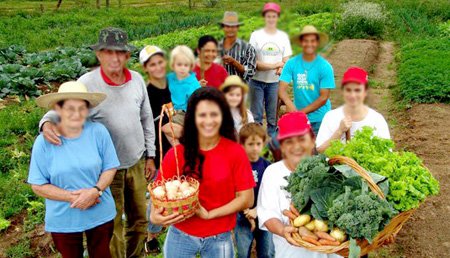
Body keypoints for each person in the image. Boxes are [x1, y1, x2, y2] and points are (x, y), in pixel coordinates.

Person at [39, 28, 156, 258]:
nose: (115, 58)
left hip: (136, 162)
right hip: (105, 169)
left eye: (120, 53)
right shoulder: (87, 83)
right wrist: (45, 123)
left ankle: (135, 255)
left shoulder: (137, 81)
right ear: (99, 55)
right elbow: (64, 107)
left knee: (139, 219)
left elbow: (146, 118)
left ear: (127, 56)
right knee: (112, 225)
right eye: (108, 52)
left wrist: (150, 155)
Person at [150, 87, 255, 258]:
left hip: (219, 236)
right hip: (181, 234)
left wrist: (209, 215)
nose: (208, 121)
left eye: (214, 114)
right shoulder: (176, 154)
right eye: (202, 115)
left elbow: (247, 198)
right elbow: (159, 196)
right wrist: (156, 217)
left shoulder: (235, 152)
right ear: (192, 118)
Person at [29, 81, 120, 258]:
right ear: (58, 109)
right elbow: (38, 185)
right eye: (70, 108)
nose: (77, 114)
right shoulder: (43, 143)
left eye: (82, 108)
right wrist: (74, 197)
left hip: (100, 210)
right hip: (64, 217)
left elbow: (110, 167)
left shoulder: (98, 132)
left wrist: (95, 191)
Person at [257, 111, 341, 258]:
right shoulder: (273, 173)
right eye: (289, 141)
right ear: (282, 146)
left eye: (302, 139)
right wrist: (283, 230)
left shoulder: (332, 169)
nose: (296, 146)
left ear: (312, 139)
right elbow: (268, 215)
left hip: (333, 252)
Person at [139, 45, 170, 255]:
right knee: (159, 195)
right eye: (152, 64)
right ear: (146, 68)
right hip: (159, 152)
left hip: (179, 148)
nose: (158, 67)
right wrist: (150, 157)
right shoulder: (147, 93)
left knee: (176, 190)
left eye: (160, 62)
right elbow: (145, 126)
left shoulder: (174, 84)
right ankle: (151, 236)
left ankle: (174, 224)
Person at [316, 67, 390, 152]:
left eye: (357, 90)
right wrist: (339, 131)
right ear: (343, 91)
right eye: (348, 90)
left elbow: (387, 154)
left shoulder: (377, 120)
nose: (352, 95)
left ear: (365, 92)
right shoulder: (331, 117)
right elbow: (320, 151)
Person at [278, 25, 335, 135]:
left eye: (313, 41)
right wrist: (288, 103)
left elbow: (324, 97)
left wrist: (300, 113)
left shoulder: (324, 66)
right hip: (299, 117)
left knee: (318, 150)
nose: (309, 44)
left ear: (317, 43)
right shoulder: (292, 63)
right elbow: (281, 89)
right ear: (301, 43)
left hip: (320, 118)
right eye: (306, 41)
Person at [249, 2, 292, 136]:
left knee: (272, 117)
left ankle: (272, 142)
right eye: (268, 16)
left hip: (274, 82)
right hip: (256, 81)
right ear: (264, 17)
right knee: (256, 116)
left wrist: (282, 67)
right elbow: (253, 62)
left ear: (277, 17)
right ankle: (257, 142)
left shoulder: (283, 36)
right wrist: (275, 65)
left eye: (274, 16)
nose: (271, 19)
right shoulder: (256, 35)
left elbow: (286, 59)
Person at [235, 123, 274, 258]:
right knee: (242, 251)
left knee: (267, 251)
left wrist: (257, 210)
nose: (255, 148)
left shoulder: (268, 167)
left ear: (263, 144)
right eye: (250, 144)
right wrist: (247, 212)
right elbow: (235, 192)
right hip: (242, 217)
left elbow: (270, 194)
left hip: (264, 216)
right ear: (242, 145)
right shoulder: (237, 166)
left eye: (258, 144)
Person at [164, 45, 201, 146]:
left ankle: (185, 140)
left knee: (166, 128)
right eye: (179, 64)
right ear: (173, 65)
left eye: (186, 65)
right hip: (172, 110)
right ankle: (179, 148)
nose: (182, 68)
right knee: (169, 131)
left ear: (190, 65)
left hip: (186, 113)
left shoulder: (193, 84)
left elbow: (197, 104)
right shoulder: (171, 78)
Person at [218, 11, 257, 82]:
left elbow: (251, 72)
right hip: (220, 89)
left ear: (237, 27)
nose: (230, 29)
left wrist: (234, 63)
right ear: (223, 27)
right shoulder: (216, 47)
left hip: (240, 90)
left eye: (233, 26)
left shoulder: (248, 48)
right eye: (227, 26)